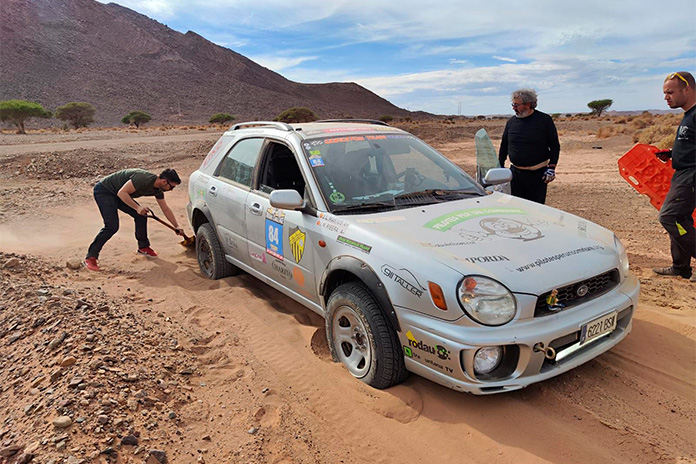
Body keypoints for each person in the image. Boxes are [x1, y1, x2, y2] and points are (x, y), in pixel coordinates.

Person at [84, 168, 184, 271]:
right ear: (164, 181)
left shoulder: (158, 190)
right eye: (171, 187)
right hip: (105, 191)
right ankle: (91, 257)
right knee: (112, 226)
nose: (171, 190)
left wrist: (176, 226)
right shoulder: (143, 178)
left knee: (141, 216)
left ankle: (143, 247)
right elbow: (122, 193)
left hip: (119, 194)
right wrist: (138, 208)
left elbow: (165, 209)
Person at [652, 71, 696, 283]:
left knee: (670, 217)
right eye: (664, 93)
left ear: (687, 89)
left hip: (691, 177)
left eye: (670, 92)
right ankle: (681, 266)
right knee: (682, 219)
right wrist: (672, 153)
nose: (666, 97)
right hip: (683, 174)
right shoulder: (689, 115)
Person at [498, 88, 560, 204]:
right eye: (513, 104)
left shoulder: (544, 120)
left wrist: (551, 167)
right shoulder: (511, 122)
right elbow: (504, 145)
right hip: (515, 175)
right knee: (517, 207)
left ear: (528, 105)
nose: (513, 108)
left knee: (535, 209)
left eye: (516, 105)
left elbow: (555, 146)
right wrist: (499, 165)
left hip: (538, 175)